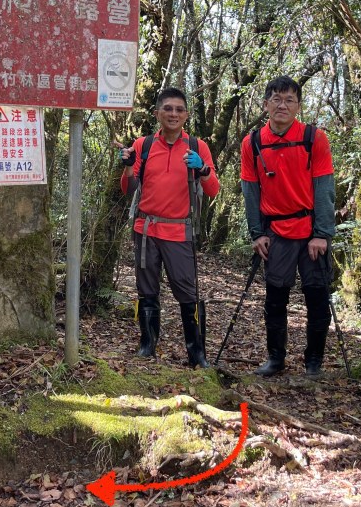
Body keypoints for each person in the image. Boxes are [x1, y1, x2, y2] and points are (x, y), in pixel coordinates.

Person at [240, 76, 336, 378]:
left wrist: (322, 234)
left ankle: (314, 361)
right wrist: (257, 233)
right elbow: (250, 191)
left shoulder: (314, 138)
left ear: (298, 106)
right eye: (276, 99)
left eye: (289, 100)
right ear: (265, 104)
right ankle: (276, 358)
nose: (282, 105)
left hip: (311, 231)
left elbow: (324, 187)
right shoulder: (252, 143)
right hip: (276, 231)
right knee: (275, 298)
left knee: (317, 297)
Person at [118, 87, 220, 368]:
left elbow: (213, 189)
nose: (173, 114)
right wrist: (128, 166)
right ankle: (147, 346)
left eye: (179, 109)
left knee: (187, 292)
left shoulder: (197, 147)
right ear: (157, 113)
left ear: (186, 115)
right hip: (146, 229)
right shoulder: (144, 145)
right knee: (146, 290)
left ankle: (197, 354)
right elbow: (129, 189)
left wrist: (202, 169)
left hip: (179, 230)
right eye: (168, 109)